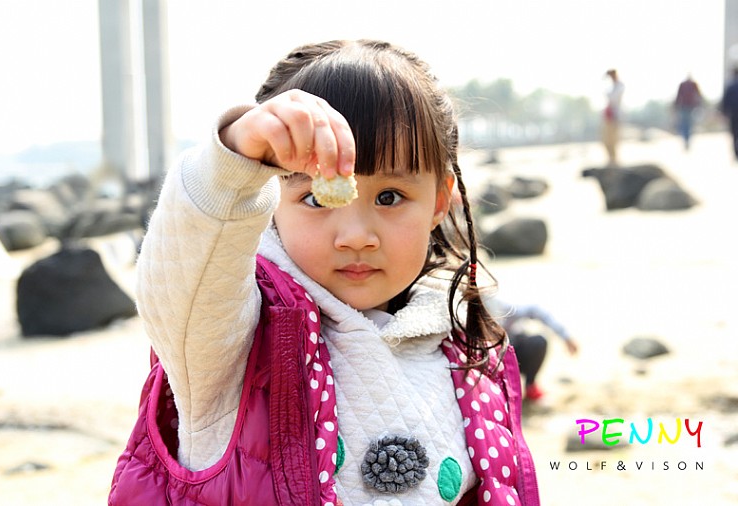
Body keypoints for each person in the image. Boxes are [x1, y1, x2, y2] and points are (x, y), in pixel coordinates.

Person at [109, 40, 539, 505]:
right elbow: (181, 286)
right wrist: (231, 168)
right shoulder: (235, 341)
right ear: (273, 200)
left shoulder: (468, 353)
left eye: (390, 197)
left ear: (438, 201)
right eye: (316, 198)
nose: (355, 236)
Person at [484, 297, 578, 402]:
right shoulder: (470, 316)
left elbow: (535, 310)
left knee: (538, 342)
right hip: (485, 361)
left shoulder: (500, 308)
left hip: (510, 351)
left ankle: (530, 386)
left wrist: (566, 337)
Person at [601, 69, 625, 166]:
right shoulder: (611, 87)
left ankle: (614, 160)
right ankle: (610, 159)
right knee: (606, 140)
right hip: (608, 116)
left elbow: (613, 99)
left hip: (615, 116)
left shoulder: (620, 86)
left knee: (613, 140)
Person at [673, 74, 703, 150]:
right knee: (687, 124)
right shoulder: (691, 84)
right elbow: (698, 95)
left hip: (687, 106)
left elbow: (697, 94)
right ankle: (687, 139)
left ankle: (687, 139)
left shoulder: (689, 84)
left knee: (686, 124)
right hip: (688, 106)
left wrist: (676, 105)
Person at [720, 67, 738, 160]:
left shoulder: (730, 86)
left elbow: (725, 101)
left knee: (734, 133)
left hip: (734, 113)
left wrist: (724, 112)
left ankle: (736, 152)